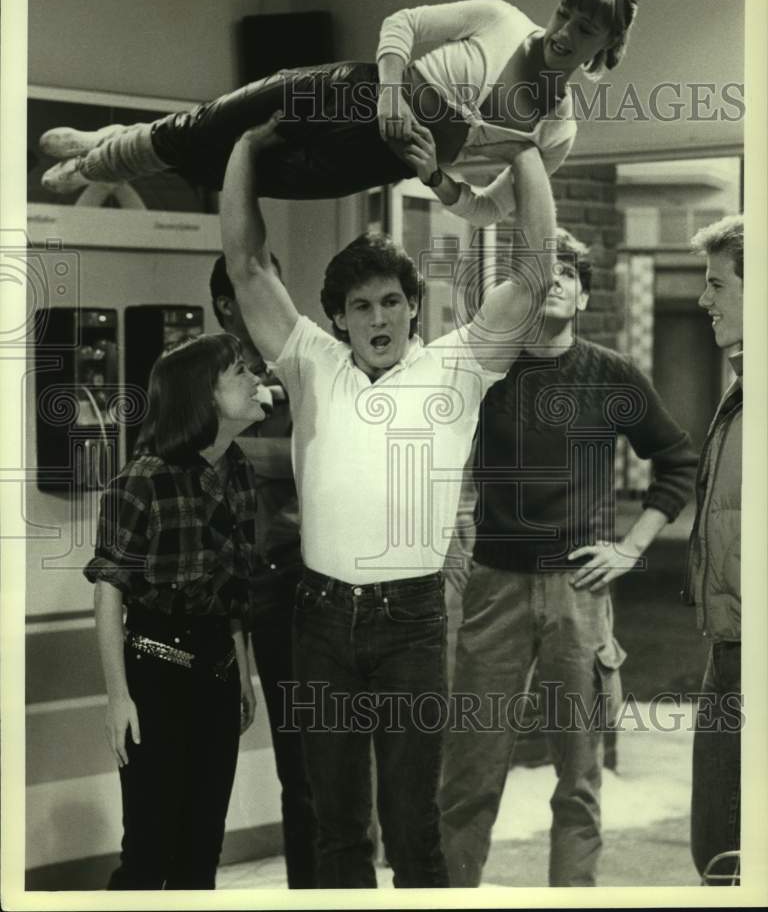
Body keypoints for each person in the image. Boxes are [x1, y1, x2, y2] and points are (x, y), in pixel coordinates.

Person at [217, 111, 558, 887]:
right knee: (335, 831)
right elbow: (244, 264)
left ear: (413, 307)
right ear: (338, 316)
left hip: (409, 622)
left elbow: (534, 276)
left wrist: (525, 153)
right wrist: (244, 148)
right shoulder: (309, 361)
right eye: (362, 306)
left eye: (393, 303)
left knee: (413, 834)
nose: (380, 318)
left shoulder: (458, 365)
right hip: (322, 621)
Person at [439, 228, 698, 887]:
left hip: (578, 594)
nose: (555, 281)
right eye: (541, 272)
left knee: (578, 777)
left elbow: (678, 463)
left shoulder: (612, 374)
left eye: (569, 275)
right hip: (493, 590)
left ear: (583, 296)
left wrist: (631, 549)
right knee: (470, 773)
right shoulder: (485, 370)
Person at [40, 0, 637, 226]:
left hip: (378, 160)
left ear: (607, 45)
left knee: (234, 171)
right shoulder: (500, 18)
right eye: (563, 13)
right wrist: (391, 93)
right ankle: (102, 155)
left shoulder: (556, 131)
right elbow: (403, 22)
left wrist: (435, 178)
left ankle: (110, 149)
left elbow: (489, 210)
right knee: (215, 124)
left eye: (583, 29)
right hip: (357, 91)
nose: (562, 33)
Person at [84, 333, 273, 889]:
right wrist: (118, 697)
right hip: (155, 680)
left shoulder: (238, 471)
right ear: (204, 396)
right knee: (148, 856)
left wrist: (242, 671)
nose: (256, 379)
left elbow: (234, 590)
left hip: (216, 673)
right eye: (241, 372)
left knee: (199, 857)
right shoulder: (141, 480)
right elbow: (108, 589)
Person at [209, 254, 318, 888]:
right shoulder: (203, 371)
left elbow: (328, 456)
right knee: (201, 767)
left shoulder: (303, 364)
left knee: (306, 766)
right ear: (229, 303)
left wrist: (240, 445)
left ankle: (315, 894)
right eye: (258, 284)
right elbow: (182, 453)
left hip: (299, 585)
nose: (276, 294)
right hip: (217, 593)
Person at [683, 215, 743, 884]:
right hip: (727, 645)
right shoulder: (739, 386)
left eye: (716, 284)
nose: (704, 299)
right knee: (719, 848)